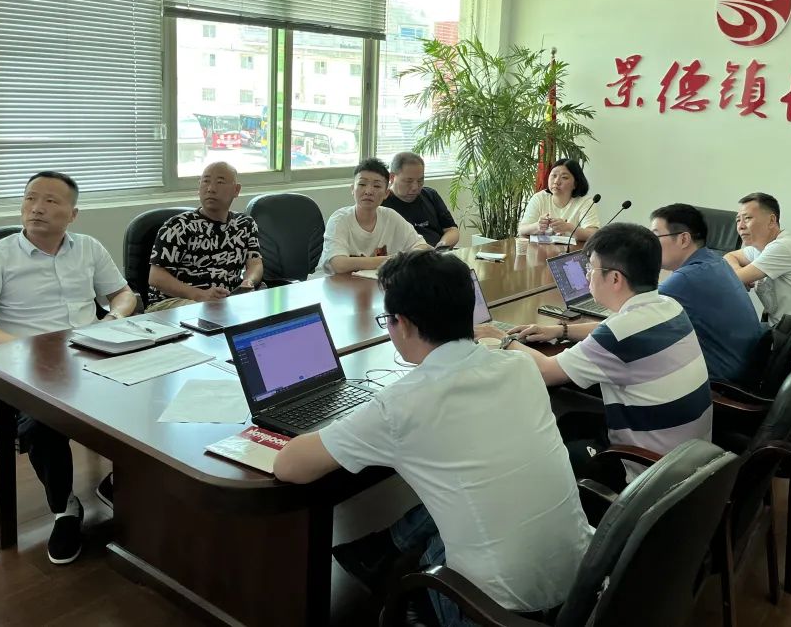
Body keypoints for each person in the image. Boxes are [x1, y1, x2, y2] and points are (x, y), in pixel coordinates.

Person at [273, 250, 591, 626]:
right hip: (581, 584)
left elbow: (290, 467)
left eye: (388, 320)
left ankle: (384, 564)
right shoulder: (520, 366)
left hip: (494, 612)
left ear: (404, 325)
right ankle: (381, 552)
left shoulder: (403, 404)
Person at [0, 171, 137, 565]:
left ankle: (121, 480)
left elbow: (122, 294)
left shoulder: (88, 248)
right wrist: (27, 348)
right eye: (30, 198)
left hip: (92, 353)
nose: (37, 208)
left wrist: (114, 318)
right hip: (30, 365)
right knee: (45, 421)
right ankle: (65, 507)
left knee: (148, 390)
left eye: (51, 201)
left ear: (73, 214)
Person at [483, 223, 712, 483]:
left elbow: (547, 371)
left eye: (590, 268)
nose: (587, 275)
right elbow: (612, 328)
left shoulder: (620, 333)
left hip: (647, 473)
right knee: (570, 418)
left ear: (615, 279)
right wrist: (561, 330)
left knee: (542, 454)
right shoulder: (668, 305)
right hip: (690, 461)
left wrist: (500, 337)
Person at [649, 204, 764, 384]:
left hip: (721, 383)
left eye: (655, 236)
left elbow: (634, 316)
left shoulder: (686, 278)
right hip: (745, 367)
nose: (650, 244)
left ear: (683, 239)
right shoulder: (715, 262)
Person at [147, 161, 263, 310]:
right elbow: (156, 277)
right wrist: (200, 295)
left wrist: (248, 282)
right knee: (212, 311)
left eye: (220, 182)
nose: (210, 189)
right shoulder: (178, 225)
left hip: (225, 301)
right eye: (206, 181)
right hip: (172, 303)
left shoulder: (245, 224)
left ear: (236, 190)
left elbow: (255, 264)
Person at [723, 192, 791, 330]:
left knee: (728, 332)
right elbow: (729, 257)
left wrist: (740, 276)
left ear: (771, 220)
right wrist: (739, 273)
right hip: (781, 329)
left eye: (747, 218)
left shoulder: (783, 247)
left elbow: (732, 278)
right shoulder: (759, 248)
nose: (740, 226)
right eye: (738, 220)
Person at [318, 158, 430, 275]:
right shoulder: (339, 219)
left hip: (372, 282)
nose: (368, 191)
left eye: (376, 186)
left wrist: (401, 259)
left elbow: (423, 247)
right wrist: (391, 260)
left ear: (386, 193)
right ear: (352, 189)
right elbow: (338, 264)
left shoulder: (390, 216)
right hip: (330, 282)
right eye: (362, 184)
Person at [382, 152, 459, 248]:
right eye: (409, 181)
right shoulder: (381, 203)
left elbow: (452, 229)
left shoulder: (430, 195)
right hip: (405, 255)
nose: (415, 187)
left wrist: (441, 247)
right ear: (392, 177)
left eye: (420, 181)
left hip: (437, 253)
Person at [517, 158, 599, 243]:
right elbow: (521, 229)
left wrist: (568, 227)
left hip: (574, 250)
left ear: (575, 184)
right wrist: (537, 226)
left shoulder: (585, 202)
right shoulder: (539, 198)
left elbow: (593, 234)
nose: (556, 181)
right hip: (542, 250)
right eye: (554, 176)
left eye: (564, 177)